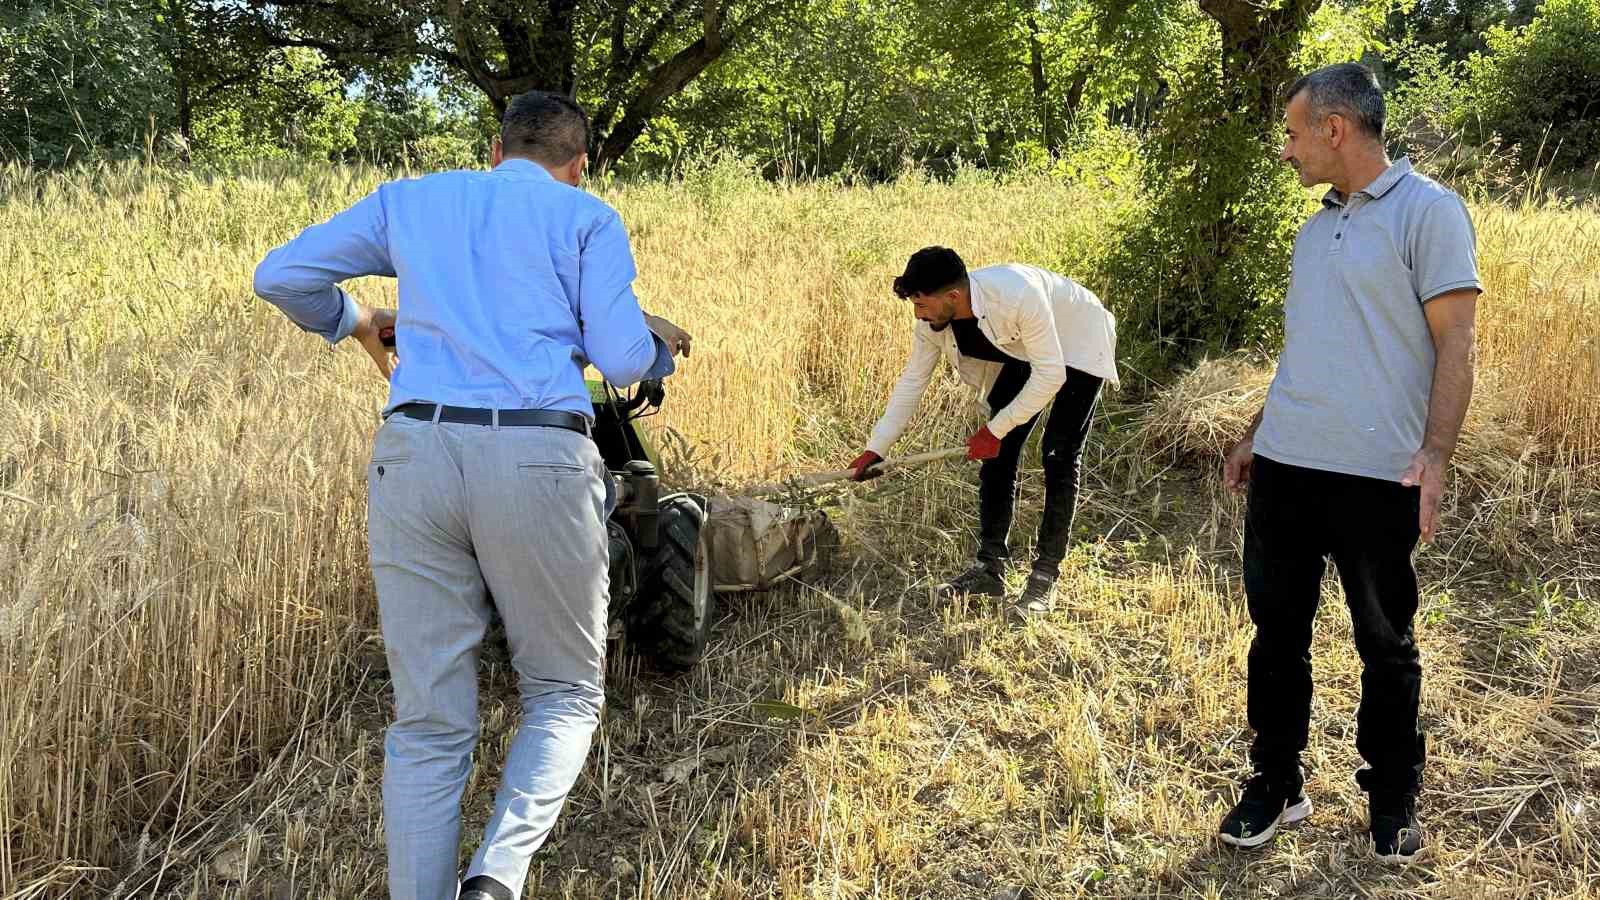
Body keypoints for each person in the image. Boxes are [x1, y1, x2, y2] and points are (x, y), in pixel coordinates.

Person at [253, 90, 690, 900]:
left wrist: (354, 319)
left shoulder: (411, 200)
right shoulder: (586, 218)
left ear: (495, 151)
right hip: (536, 457)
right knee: (562, 692)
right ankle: (495, 877)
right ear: (577, 163)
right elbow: (623, 360)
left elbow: (278, 276)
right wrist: (658, 349)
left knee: (425, 723)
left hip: (414, 455)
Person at [1216, 63, 1480, 863]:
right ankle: (1276, 783)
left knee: (1384, 641)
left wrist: (1436, 455)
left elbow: (1457, 344)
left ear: (1335, 129)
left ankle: (1393, 795)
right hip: (1288, 468)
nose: (1287, 150)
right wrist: (1261, 428)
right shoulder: (1312, 229)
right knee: (1276, 635)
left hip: (1377, 475)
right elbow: (1310, 347)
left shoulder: (1429, 213)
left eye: (1294, 134)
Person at [849, 247, 1119, 619]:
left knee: (1058, 453)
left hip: (1078, 341)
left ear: (954, 297)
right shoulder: (934, 321)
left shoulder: (1018, 294)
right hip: (1027, 353)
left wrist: (994, 429)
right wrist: (876, 448)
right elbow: (913, 380)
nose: (917, 313)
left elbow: (1051, 375)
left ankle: (1044, 579)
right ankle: (990, 569)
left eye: (921, 303)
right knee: (999, 454)